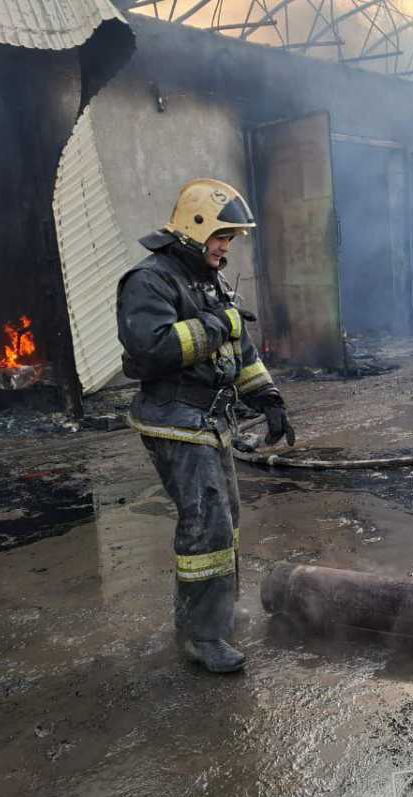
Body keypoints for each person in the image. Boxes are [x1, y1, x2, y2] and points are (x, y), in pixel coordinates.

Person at [116, 178, 294, 674]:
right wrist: (220, 323)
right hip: (174, 419)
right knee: (206, 524)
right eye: (222, 236)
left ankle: (208, 617)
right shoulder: (149, 280)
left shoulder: (204, 278)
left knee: (224, 520)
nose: (225, 248)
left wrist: (267, 395)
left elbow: (239, 349)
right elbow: (150, 348)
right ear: (195, 228)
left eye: (231, 239)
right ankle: (202, 636)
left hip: (210, 418)